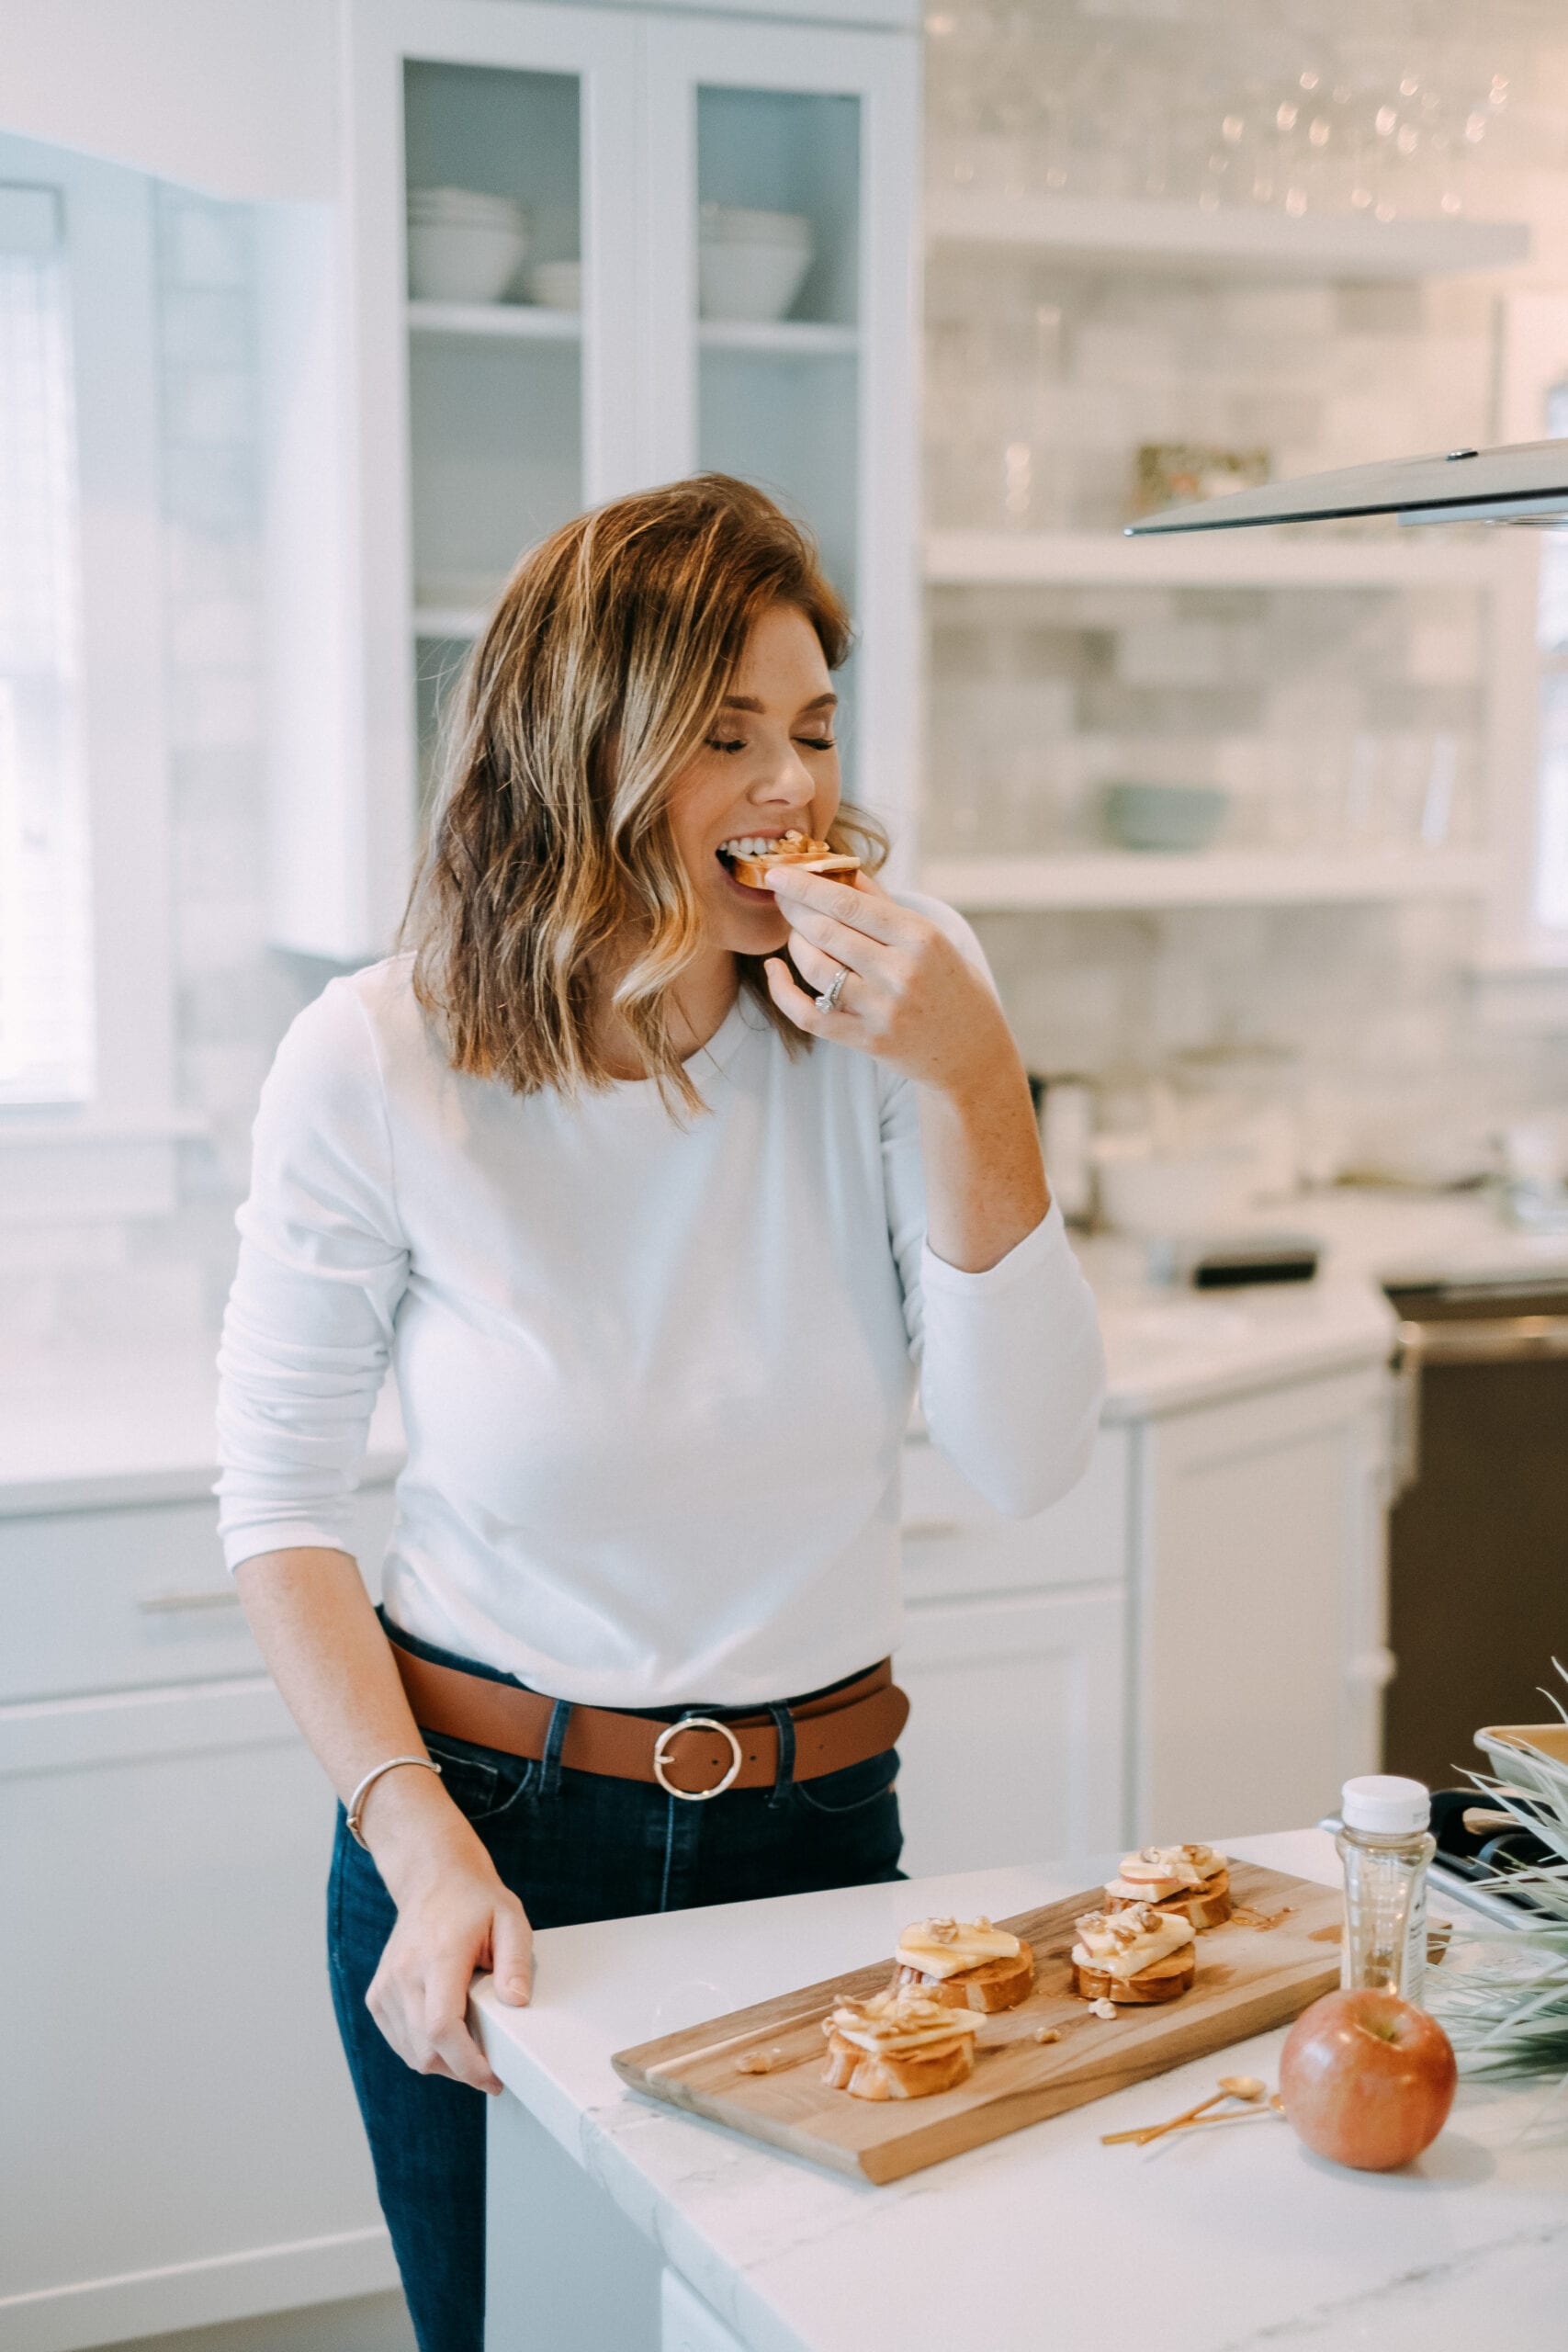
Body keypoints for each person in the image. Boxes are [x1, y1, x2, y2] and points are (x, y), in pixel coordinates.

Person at [217, 475, 1104, 2352]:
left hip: (819, 1835)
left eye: (810, 730)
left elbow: (1026, 1461)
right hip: (490, 1842)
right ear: (578, 746)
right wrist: (418, 1845)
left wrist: (969, 1071)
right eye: (723, 737)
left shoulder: (890, 1013)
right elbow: (280, 1508)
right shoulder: (378, 1056)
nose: (791, 788)